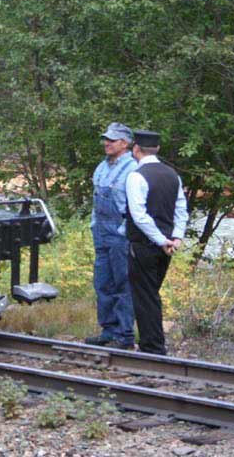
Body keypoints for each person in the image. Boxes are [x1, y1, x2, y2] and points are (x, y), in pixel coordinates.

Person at [125, 130, 188, 355]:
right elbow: (181, 209)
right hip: (167, 246)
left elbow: (139, 215)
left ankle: (152, 347)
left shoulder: (136, 176)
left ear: (136, 149)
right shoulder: (173, 175)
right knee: (151, 293)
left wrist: (162, 240)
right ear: (158, 149)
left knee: (145, 295)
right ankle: (152, 344)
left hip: (145, 245)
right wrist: (176, 237)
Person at [86, 123, 138, 349]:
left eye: (112, 140)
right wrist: (93, 224)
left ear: (125, 144)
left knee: (123, 284)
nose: (107, 143)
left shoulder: (133, 169)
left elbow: (135, 206)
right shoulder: (101, 167)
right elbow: (96, 200)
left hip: (120, 235)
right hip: (101, 233)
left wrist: (124, 232)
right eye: (106, 139)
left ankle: (125, 335)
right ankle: (108, 330)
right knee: (102, 283)